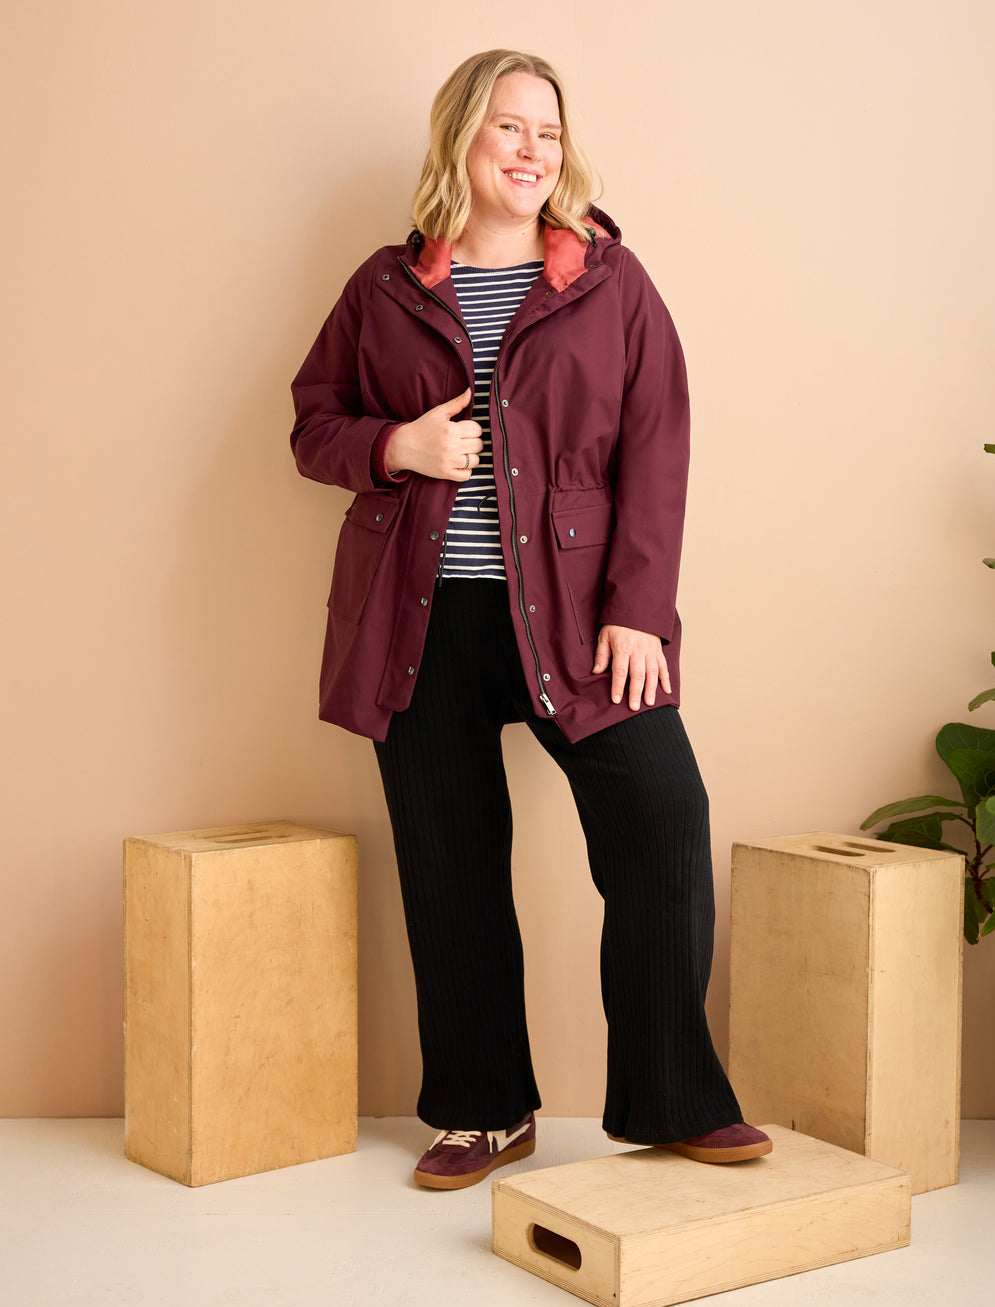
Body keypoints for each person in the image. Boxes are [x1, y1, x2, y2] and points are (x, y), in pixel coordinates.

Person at [290, 49, 770, 1190]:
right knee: (451, 864)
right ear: (460, 138)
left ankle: (669, 1096)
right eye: (507, 127)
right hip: (421, 621)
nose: (529, 150)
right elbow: (313, 423)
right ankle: (480, 1106)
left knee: (663, 819)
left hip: (581, 624)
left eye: (547, 133)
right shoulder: (384, 287)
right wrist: (395, 446)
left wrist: (641, 609)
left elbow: (659, 445)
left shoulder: (611, 281)